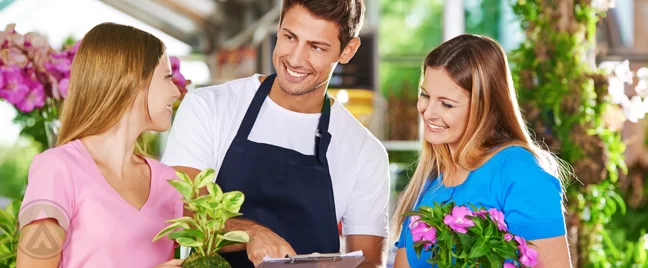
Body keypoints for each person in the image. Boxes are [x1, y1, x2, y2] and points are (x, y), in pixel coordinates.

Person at [160, 0, 390, 267]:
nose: (294, 59)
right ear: (278, 26)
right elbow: (179, 210)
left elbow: (369, 262)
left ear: (348, 50)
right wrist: (252, 233)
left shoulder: (365, 151)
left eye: (316, 47)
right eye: (289, 37)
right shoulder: (209, 107)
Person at [392, 34, 572, 268]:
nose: (428, 112)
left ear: (483, 106)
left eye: (446, 104)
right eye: (425, 95)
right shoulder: (431, 180)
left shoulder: (519, 172)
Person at [16, 23, 185, 268]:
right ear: (132, 79)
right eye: (167, 77)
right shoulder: (58, 169)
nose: (176, 92)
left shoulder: (168, 181)